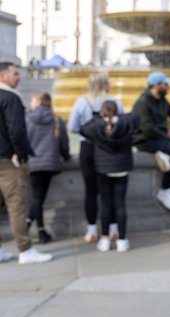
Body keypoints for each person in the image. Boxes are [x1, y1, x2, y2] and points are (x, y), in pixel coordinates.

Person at [0, 62, 53, 264]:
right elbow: (16, 131)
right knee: (16, 205)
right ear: (3, 76)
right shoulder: (11, 98)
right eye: (15, 74)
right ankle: (25, 249)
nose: (19, 77)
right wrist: (21, 155)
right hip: (8, 161)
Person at [68, 72, 124, 243]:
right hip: (108, 148)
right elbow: (123, 123)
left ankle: (92, 229)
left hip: (88, 148)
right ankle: (113, 228)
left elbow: (72, 127)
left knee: (90, 190)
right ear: (104, 84)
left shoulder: (82, 102)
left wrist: (89, 132)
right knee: (110, 190)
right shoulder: (115, 102)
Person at [80, 101, 136, 252]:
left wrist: (98, 118)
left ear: (102, 112)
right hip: (122, 169)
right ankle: (122, 241)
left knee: (105, 204)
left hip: (103, 169)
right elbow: (135, 122)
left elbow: (82, 130)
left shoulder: (97, 125)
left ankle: (104, 240)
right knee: (120, 204)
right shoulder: (125, 123)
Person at [131, 71, 170, 212]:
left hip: (159, 138)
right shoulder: (142, 103)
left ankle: (164, 154)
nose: (168, 86)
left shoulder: (162, 100)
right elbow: (147, 129)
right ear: (156, 85)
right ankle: (165, 189)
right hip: (145, 141)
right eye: (165, 84)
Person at [25, 92, 70, 244]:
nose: (31, 103)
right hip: (51, 164)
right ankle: (34, 227)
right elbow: (64, 141)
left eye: (32, 100)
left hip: (33, 163)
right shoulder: (56, 119)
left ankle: (37, 229)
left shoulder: (28, 118)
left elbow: (22, 139)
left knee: (37, 197)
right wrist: (66, 156)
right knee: (39, 197)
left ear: (38, 102)